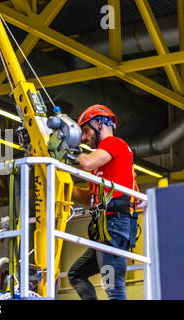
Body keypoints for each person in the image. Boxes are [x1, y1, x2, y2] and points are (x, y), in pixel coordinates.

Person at [67, 104, 138, 300]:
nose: (83, 138)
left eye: (86, 130)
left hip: (113, 226)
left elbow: (87, 162)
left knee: (113, 288)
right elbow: (91, 199)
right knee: (76, 274)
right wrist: (64, 189)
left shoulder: (114, 144)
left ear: (100, 124)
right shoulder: (102, 165)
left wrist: (61, 152)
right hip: (105, 227)